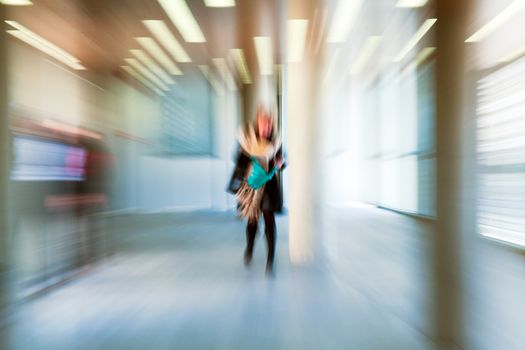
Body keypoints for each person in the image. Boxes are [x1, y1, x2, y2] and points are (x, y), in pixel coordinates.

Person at [227, 106, 284, 275]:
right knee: (252, 221)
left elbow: (282, 162)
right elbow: (237, 160)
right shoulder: (248, 140)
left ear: (271, 125)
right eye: (263, 123)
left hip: (269, 188)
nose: (266, 127)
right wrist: (244, 152)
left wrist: (280, 163)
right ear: (258, 124)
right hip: (251, 187)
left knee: (269, 222)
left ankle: (270, 260)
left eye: (268, 123)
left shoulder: (275, 142)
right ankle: (250, 247)